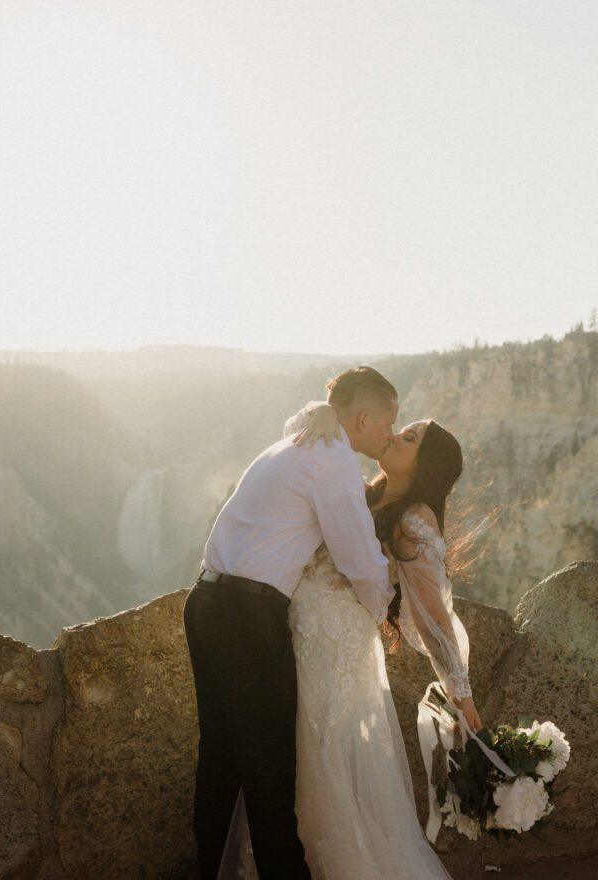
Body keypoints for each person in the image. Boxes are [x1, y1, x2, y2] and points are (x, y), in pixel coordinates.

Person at [219, 401, 481, 880]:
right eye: (400, 429)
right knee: (280, 753)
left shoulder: (414, 517)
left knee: (324, 758)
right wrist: (322, 410)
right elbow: (300, 454)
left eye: (409, 439)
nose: (396, 435)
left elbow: (434, 618)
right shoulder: (359, 490)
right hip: (291, 631)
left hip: (338, 647)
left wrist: (463, 699)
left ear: (426, 465)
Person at [182, 366, 399, 880]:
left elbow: (296, 423)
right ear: (362, 418)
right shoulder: (335, 459)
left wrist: (315, 409)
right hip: (247, 616)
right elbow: (358, 558)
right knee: (269, 770)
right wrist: (385, 607)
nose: (391, 433)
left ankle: (207, 868)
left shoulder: (299, 441)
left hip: (205, 600)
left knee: (221, 758)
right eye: (389, 422)